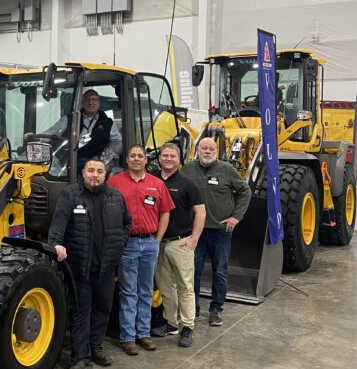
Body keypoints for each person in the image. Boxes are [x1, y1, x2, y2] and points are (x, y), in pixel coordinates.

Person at [48, 158, 131, 369]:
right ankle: (80, 359)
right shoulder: (71, 195)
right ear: (83, 172)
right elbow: (58, 223)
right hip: (80, 268)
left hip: (106, 268)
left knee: (103, 309)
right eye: (91, 170)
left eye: (99, 171)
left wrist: (119, 246)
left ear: (106, 174)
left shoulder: (115, 197)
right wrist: (55, 243)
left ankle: (96, 348)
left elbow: (126, 224)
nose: (95, 175)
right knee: (81, 313)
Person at [107, 145, 174, 355]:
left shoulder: (157, 184)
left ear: (146, 160)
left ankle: (143, 334)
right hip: (127, 244)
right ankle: (128, 337)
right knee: (128, 291)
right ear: (127, 160)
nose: (136, 159)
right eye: (133, 156)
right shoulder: (115, 183)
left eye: (140, 156)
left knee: (145, 291)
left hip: (150, 244)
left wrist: (158, 240)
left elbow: (165, 213)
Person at [181, 137, 251, 326]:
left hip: (220, 232)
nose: (208, 151)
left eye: (212, 148)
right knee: (192, 271)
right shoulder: (187, 170)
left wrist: (236, 217)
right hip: (196, 232)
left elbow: (245, 191)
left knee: (220, 271)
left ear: (216, 151)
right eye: (204, 148)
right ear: (197, 149)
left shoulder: (227, 170)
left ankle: (215, 309)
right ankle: (192, 309)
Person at [151, 142, 206, 348]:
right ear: (159, 158)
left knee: (185, 286)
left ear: (179, 159)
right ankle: (171, 323)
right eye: (165, 155)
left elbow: (200, 212)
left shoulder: (187, 184)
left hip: (180, 243)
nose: (168, 159)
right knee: (165, 287)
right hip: (158, 243)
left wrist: (194, 239)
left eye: (172, 156)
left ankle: (188, 327)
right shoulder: (152, 180)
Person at [35, 89, 122, 171]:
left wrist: (104, 158)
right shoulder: (69, 119)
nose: (90, 102)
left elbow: (117, 142)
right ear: (82, 102)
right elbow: (52, 132)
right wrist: (38, 139)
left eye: (94, 99)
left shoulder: (108, 123)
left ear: (99, 102)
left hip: (95, 161)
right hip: (71, 159)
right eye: (87, 99)